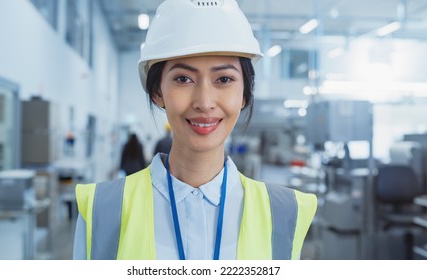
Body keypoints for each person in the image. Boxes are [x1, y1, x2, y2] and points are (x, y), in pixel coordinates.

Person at [73, 0, 317, 260]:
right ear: (157, 92)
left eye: (224, 79)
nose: (204, 102)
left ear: (244, 93)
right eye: (183, 79)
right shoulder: (102, 209)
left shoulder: (285, 212)